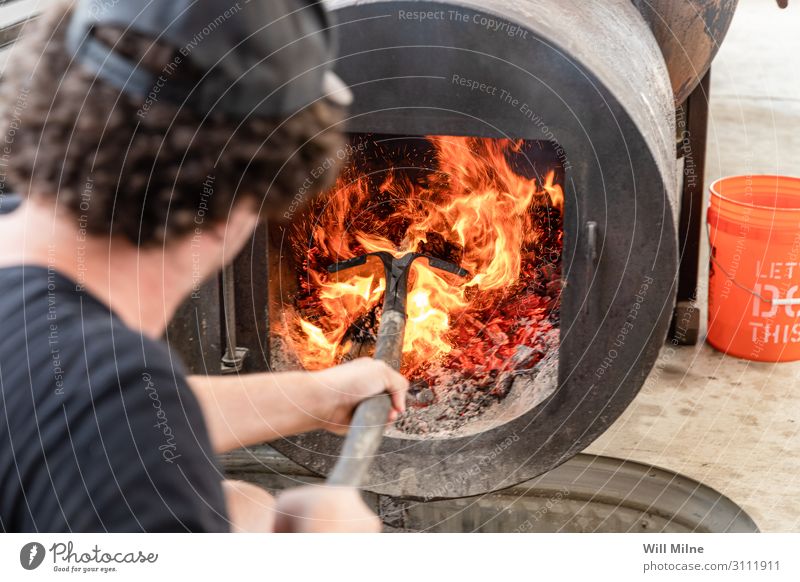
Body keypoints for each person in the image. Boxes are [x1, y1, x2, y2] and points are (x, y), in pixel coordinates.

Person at [0, 0, 408, 533]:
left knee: (241, 502)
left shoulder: (78, 372)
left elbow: (87, 416)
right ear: (243, 202)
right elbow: (113, 421)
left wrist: (314, 397)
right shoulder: (108, 401)